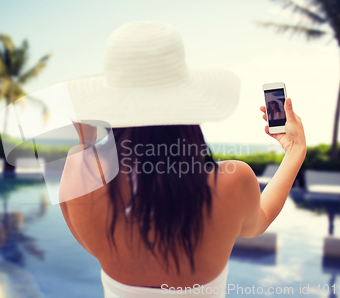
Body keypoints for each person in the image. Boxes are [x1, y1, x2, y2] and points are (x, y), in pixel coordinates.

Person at [59, 21, 306, 297]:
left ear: (111, 106)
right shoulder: (233, 182)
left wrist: (84, 144)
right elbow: (259, 221)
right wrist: (295, 150)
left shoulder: (80, 175)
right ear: (188, 102)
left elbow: (91, 241)